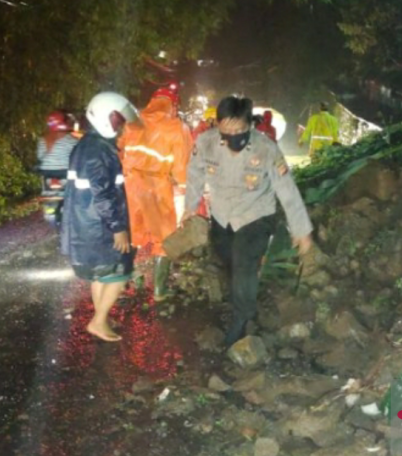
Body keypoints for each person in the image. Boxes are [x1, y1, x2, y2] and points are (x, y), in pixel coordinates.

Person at [184, 96, 313, 348]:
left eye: (240, 130)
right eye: (228, 130)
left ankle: (242, 318)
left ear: (250, 125)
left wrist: (301, 230)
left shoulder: (266, 148)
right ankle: (240, 298)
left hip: (256, 214)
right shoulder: (206, 143)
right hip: (222, 215)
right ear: (217, 125)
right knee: (229, 260)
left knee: (243, 263)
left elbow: (286, 188)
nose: (234, 135)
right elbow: (194, 174)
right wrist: (190, 208)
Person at [61, 92, 135, 342]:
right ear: (107, 118)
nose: (122, 126)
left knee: (101, 273)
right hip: (99, 224)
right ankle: (98, 321)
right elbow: (102, 194)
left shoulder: (89, 145)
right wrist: (118, 227)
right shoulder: (97, 150)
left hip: (89, 222)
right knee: (119, 271)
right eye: (119, 120)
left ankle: (100, 316)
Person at [119, 87, 191, 302]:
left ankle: (125, 281)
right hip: (157, 185)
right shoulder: (176, 127)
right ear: (174, 104)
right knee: (163, 238)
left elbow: (120, 148)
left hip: (129, 184)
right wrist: (185, 186)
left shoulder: (133, 122)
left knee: (131, 233)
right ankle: (159, 290)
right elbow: (181, 167)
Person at [37, 110, 79, 178]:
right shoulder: (70, 139)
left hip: (45, 172)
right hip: (63, 171)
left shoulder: (42, 139)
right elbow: (77, 154)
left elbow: (39, 156)